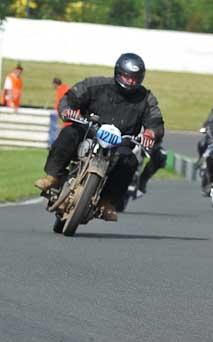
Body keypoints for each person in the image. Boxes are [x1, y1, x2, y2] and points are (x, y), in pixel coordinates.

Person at [33, 53, 164, 221]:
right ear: (118, 73)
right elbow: (70, 97)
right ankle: (53, 176)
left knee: (130, 160)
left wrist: (151, 133)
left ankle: (107, 202)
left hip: (121, 143)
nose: (131, 81)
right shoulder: (96, 84)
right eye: (127, 77)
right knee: (70, 132)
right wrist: (67, 110)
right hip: (88, 132)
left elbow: (156, 121)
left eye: (135, 78)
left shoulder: (146, 98)